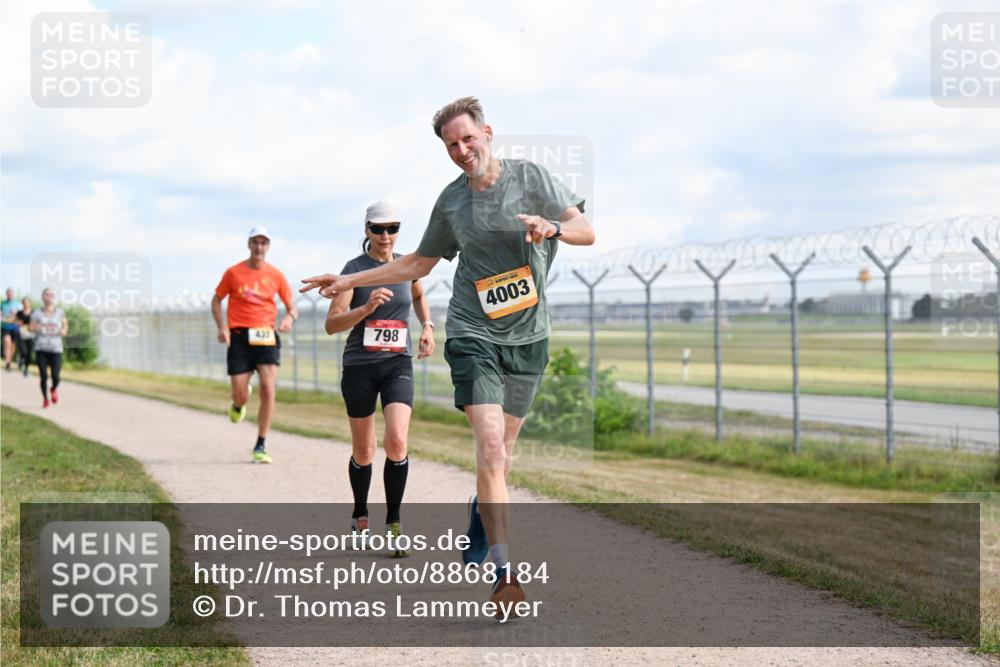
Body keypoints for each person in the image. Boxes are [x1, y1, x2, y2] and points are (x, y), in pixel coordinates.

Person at [302, 96, 595, 612]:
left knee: (501, 455)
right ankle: (504, 573)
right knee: (489, 446)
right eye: (451, 145)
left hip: (529, 337)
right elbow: (417, 263)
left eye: (468, 139)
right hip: (472, 332)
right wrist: (347, 280)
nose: (462, 150)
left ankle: (481, 513)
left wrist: (553, 229)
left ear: (488, 133)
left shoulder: (532, 179)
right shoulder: (453, 202)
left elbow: (586, 232)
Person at [325, 201, 436, 557]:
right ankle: (360, 514)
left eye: (392, 228)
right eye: (378, 228)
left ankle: (394, 524)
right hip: (360, 365)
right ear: (367, 230)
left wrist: (427, 326)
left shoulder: (408, 266)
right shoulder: (354, 271)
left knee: (397, 442)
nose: (386, 235)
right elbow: (332, 324)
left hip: (397, 364)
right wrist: (366, 308)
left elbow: (418, 294)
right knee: (364, 450)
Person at [211, 227, 298, 464]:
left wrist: (289, 319)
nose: (259, 247)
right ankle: (239, 402)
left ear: (268, 246)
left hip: (266, 336)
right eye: (255, 242)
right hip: (239, 337)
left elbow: (292, 307)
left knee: (268, 389)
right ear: (249, 244)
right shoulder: (233, 272)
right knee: (240, 395)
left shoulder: (276, 275)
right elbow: (216, 300)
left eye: (263, 243)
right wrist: (222, 327)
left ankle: (261, 444)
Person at [30, 288, 68, 408]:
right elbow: (31, 327)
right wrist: (38, 327)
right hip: (41, 349)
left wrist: (62, 331)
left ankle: (53, 389)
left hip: (56, 349)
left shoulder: (60, 312)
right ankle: (45, 399)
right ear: (43, 297)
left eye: (51, 294)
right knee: (43, 376)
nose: (49, 296)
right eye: (47, 294)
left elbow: (65, 328)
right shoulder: (36, 313)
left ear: (54, 297)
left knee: (56, 376)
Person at [16, 297, 35, 377]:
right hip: (21, 334)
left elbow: (37, 322)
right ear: (22, 303)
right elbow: (15, 321)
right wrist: (18, 323)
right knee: (24, 351)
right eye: (24, 302)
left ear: (30, 303)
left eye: (27, 302)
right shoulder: (19, 313)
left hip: (31, 335)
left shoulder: (34, 312)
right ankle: (21, 359)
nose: (25, 304)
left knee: (29, 354)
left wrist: (33, 326)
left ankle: (26, 369)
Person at [2, 287, 19, 371]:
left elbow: (21, 316)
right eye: (8, 294)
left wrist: (16, 314)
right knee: (7, 343)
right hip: (5, 327)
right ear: (6, 294)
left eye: (11, 293)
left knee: (12, 346)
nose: (9, 295)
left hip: (14, 327)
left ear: (13, 294)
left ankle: (10, 361)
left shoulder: (18, 304)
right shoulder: (2, 304)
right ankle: (7, 362)